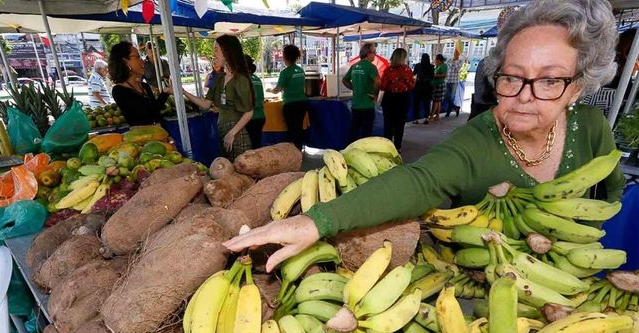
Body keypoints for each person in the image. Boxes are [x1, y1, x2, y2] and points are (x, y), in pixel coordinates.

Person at [223, 0, 625, 273]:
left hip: (572, 279)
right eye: (512, 77)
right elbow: (419, 180)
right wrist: (316, 222)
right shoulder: (478, 140)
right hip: (484, 287)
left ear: (577, 87)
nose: (523, 96)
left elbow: (611, 198)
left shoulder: (591, 129)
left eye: (550, 80)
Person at [183, 35, 254, 159]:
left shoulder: (240, 79)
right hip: (223, 132)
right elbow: (205, 104)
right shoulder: (219, 79)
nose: (214, 54)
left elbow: (249, 112)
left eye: (216, 50)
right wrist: (183, 91)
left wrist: (232, 133)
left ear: (227, 52)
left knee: (240, 168)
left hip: (236, 135)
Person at [109, 42, 172, 126]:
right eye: (137, 57)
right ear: (125, 61)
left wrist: (165, 93)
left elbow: (155, 110)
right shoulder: (119, 91)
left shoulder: (144, 86)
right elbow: (145, 115)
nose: (142, 61)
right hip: (142, 134)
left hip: (159, 133)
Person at [268, 45, 308, 149]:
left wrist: (270, 90)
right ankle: (299, 149)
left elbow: (277, 90)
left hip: (290, 104)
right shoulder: (301, 71)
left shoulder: (285, 73)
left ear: (285, 56)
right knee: (298, 127)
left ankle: (294, 151)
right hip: (302, 103)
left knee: (292, 129)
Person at [379, 48, 415, 151]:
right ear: (403, 58)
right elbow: (411, 85)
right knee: (400, 124)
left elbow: (383, 86)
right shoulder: (407, 70)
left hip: (389, 98)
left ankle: (387, 146)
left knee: (388, 124)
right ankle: (397, 146)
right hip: (403, 98)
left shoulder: (388, 70)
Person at [343, 43, 380, 141]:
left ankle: (351, 148)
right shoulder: (371, 67)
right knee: (366, 133)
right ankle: (365, 150)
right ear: (368, 54)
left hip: (356, 105)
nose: (375, 55)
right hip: (367, 105)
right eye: (374, 52)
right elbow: (378, 81)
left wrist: (355, 88)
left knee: (354, 131)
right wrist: (375, 95)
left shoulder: (354, 66)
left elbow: (344, 80)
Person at [246, 54, 266, 149]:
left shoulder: (244, 80)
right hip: (260, 116)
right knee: (257, 145)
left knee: (251, 147)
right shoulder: (257, 79)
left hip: (250, 118)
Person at [412, 53, 434, 124]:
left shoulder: (418, 65)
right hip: (427, 87)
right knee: (426, 103)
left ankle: (416, 119)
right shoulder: (431, 67)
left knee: (416, 103)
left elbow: (413, 74)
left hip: (418, 86)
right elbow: (432, 76)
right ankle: (426, 118)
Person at [428, 54, 448, 122]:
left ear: (439, 60)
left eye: (436, 59)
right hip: (437, 85)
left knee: (436, 101)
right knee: (438, 101)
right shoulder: (439, 66)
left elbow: (444, 75)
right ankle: (437, 116)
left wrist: (434, 75)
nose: (435, 61)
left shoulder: (443, 66)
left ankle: (431, 116)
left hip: (439, 85)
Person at [445, 49, 464, 117]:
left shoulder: (460, 61)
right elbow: (447, 67)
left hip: (454, 81)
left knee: (452, 97)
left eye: (457, 53)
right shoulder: (449, 60)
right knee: (446, 96)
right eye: (455, 52)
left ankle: (448, 112)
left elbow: (457, 69)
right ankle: (456, 107)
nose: (455, 54)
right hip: (447, 80)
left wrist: (454, 61)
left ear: (459, 54)